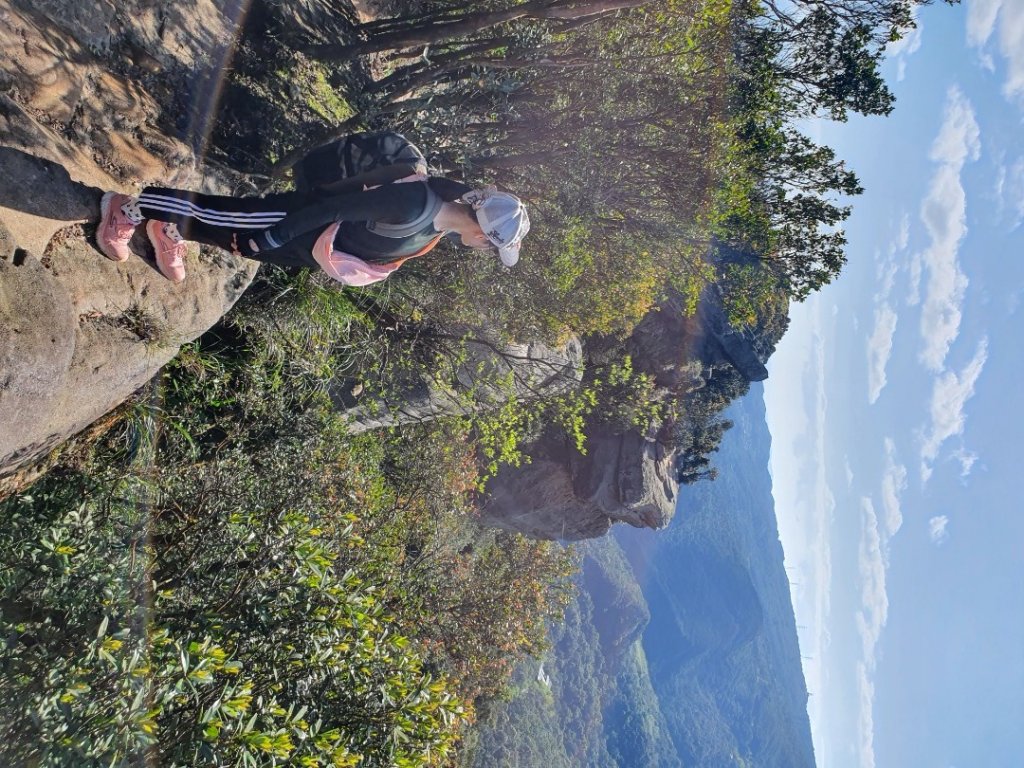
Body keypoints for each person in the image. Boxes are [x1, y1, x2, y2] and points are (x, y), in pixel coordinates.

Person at [96, 173, 529, 285]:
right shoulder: (414, 204)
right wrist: (275, 235)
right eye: (493, 249)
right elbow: (335, 206)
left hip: (298, 240)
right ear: (482, 236)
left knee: (229, 235)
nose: (486, 252)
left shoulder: (435, 232)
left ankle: (167, 230)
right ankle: (129, 208)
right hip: (291, 222)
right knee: (226, 213)